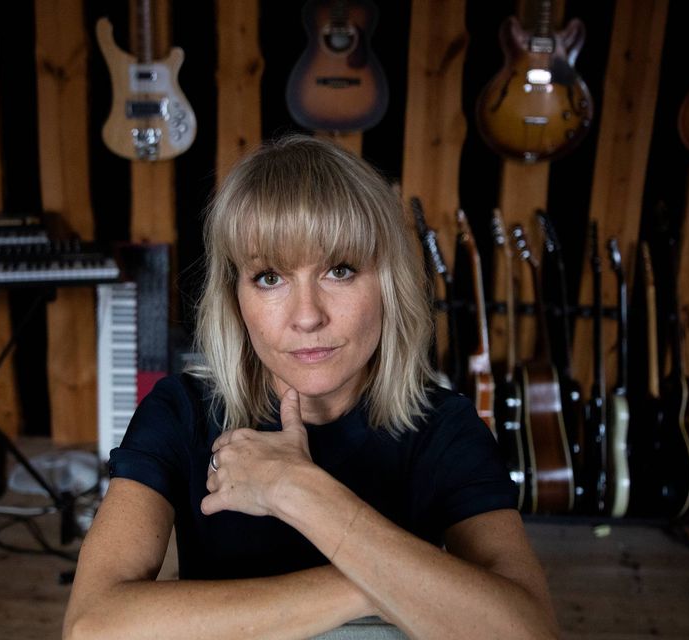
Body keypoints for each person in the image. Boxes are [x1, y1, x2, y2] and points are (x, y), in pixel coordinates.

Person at [63, 134, 559, 639]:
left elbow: (529, 633)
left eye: (339, 271)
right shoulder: (181, 411)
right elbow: (92, 627)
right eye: (269, 277)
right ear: (234, 298)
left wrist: (296, 489)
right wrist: (373, 584)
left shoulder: (445, 427)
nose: (307, 316)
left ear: (388, 283)